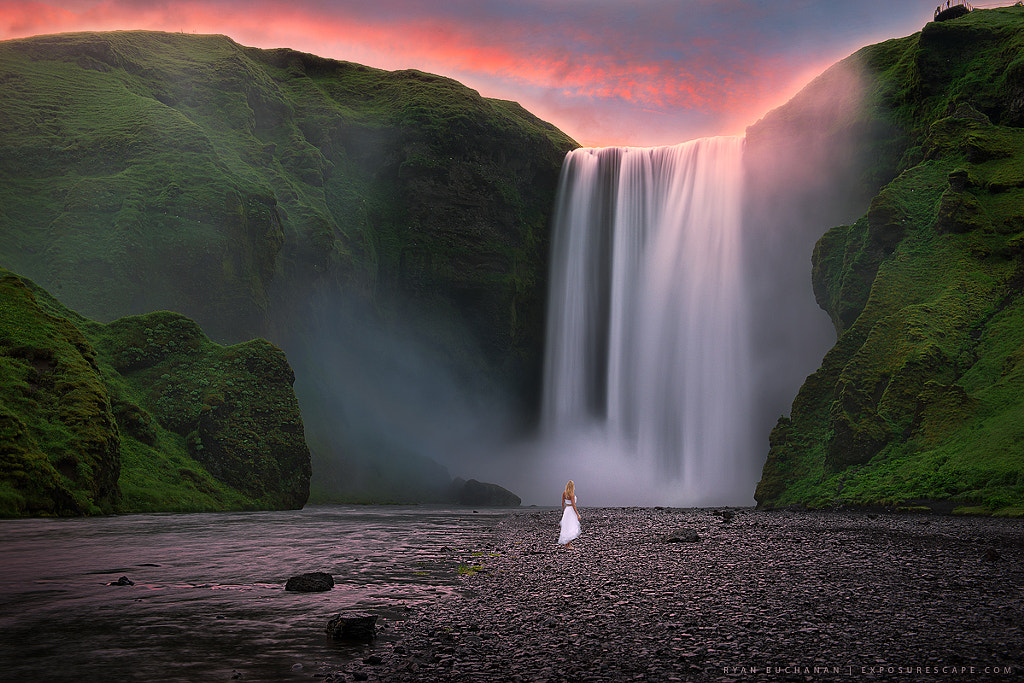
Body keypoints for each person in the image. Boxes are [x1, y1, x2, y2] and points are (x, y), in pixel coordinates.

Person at [558, 480, 581, 549]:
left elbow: (562, 503)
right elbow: (574, 506)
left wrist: (564, 510)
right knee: (571, 526)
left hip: (567, 510)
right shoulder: (572, 494)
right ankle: (569, 545)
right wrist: (577, 514)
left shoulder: (564, 493)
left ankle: (566, 545)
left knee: (566, 527)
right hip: (571, 510)